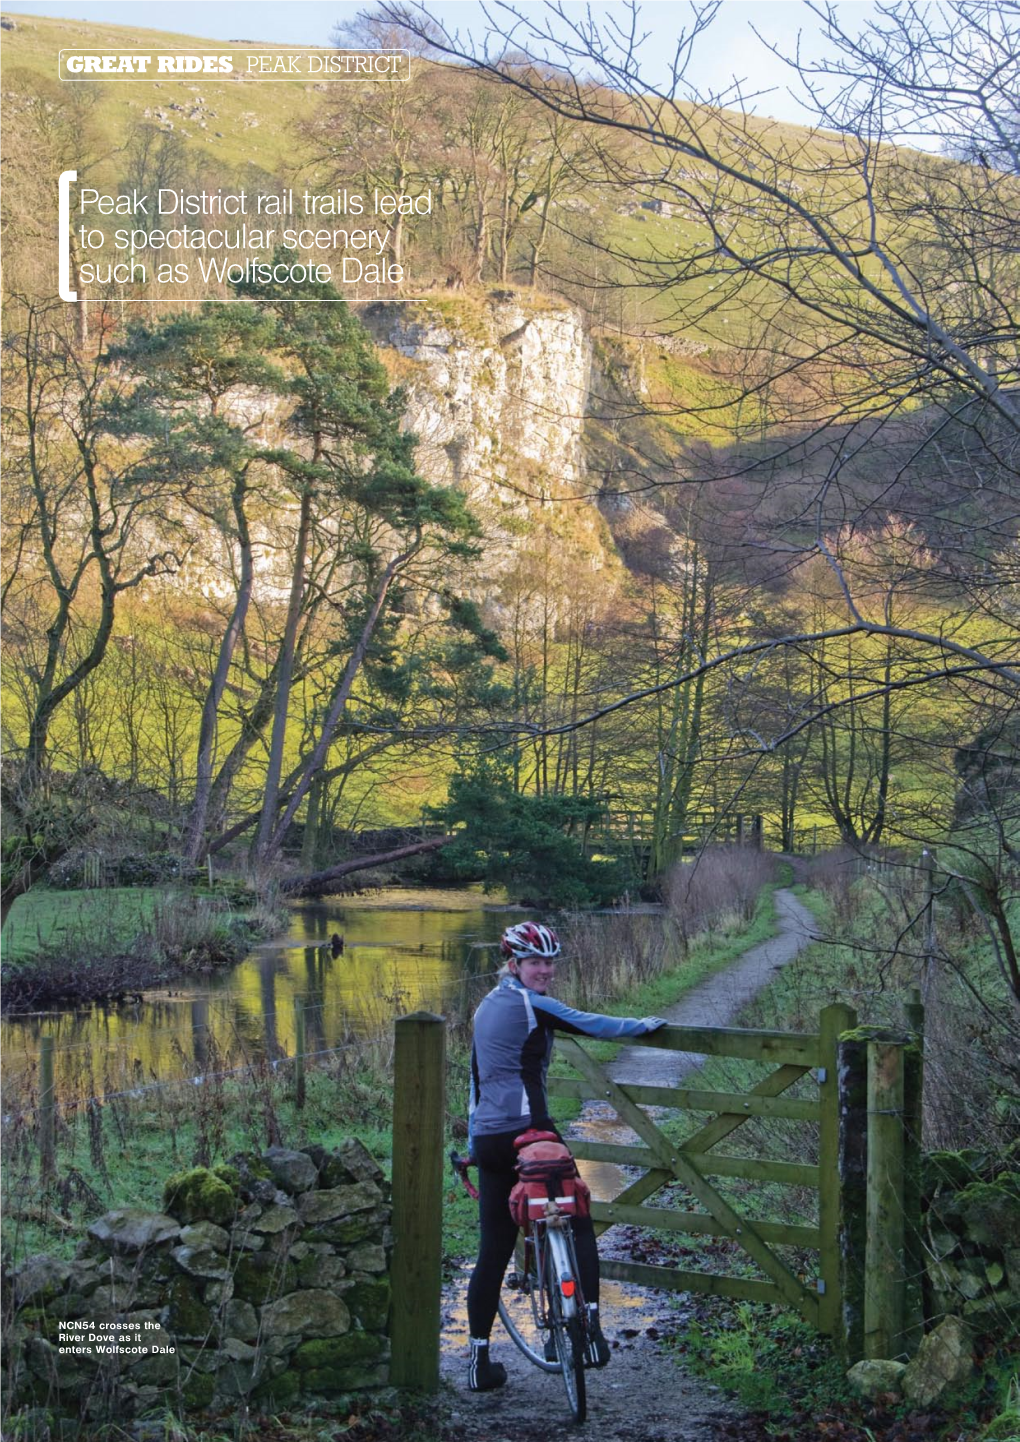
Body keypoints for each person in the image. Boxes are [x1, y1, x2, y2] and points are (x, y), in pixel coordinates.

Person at [465, 921, 667, 1392]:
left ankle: (478, 1362)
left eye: (550, 962)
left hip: (487, 1137)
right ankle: (591, 1333)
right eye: (536, 962)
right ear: (513, 965)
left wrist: (476, 1140)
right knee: (576, 1218)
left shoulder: (484, 1006)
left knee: (493, 1246)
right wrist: (642, 1025)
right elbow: (591, 1023)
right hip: (529, 1131)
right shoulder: (528, 1003)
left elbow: (475, 1077)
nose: (545, 971)